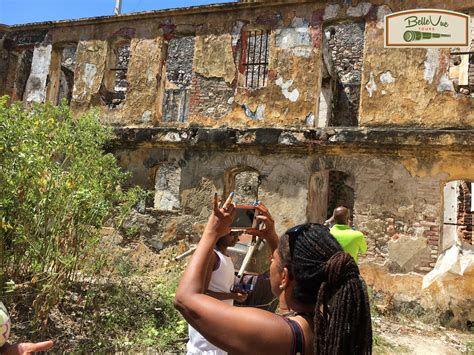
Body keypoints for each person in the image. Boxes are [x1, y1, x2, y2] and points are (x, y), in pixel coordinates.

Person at [174, 193, 372, 355]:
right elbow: (291, 267)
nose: (270, 261)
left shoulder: (280, 334)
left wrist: (212, 231)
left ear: (285, 277)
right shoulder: (329, 321)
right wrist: (271, 237)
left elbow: (185, 299)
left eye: (273, 259)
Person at [187, 230, 248, 355]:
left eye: (238, 235)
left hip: (221, 320)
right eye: (232, 234)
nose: (237, 238)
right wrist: (233, 296)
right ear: (221, 233)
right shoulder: (212, 256)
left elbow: (220, 287)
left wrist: (233, 292)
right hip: (208, 320)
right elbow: (201, 294)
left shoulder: (225, 257)